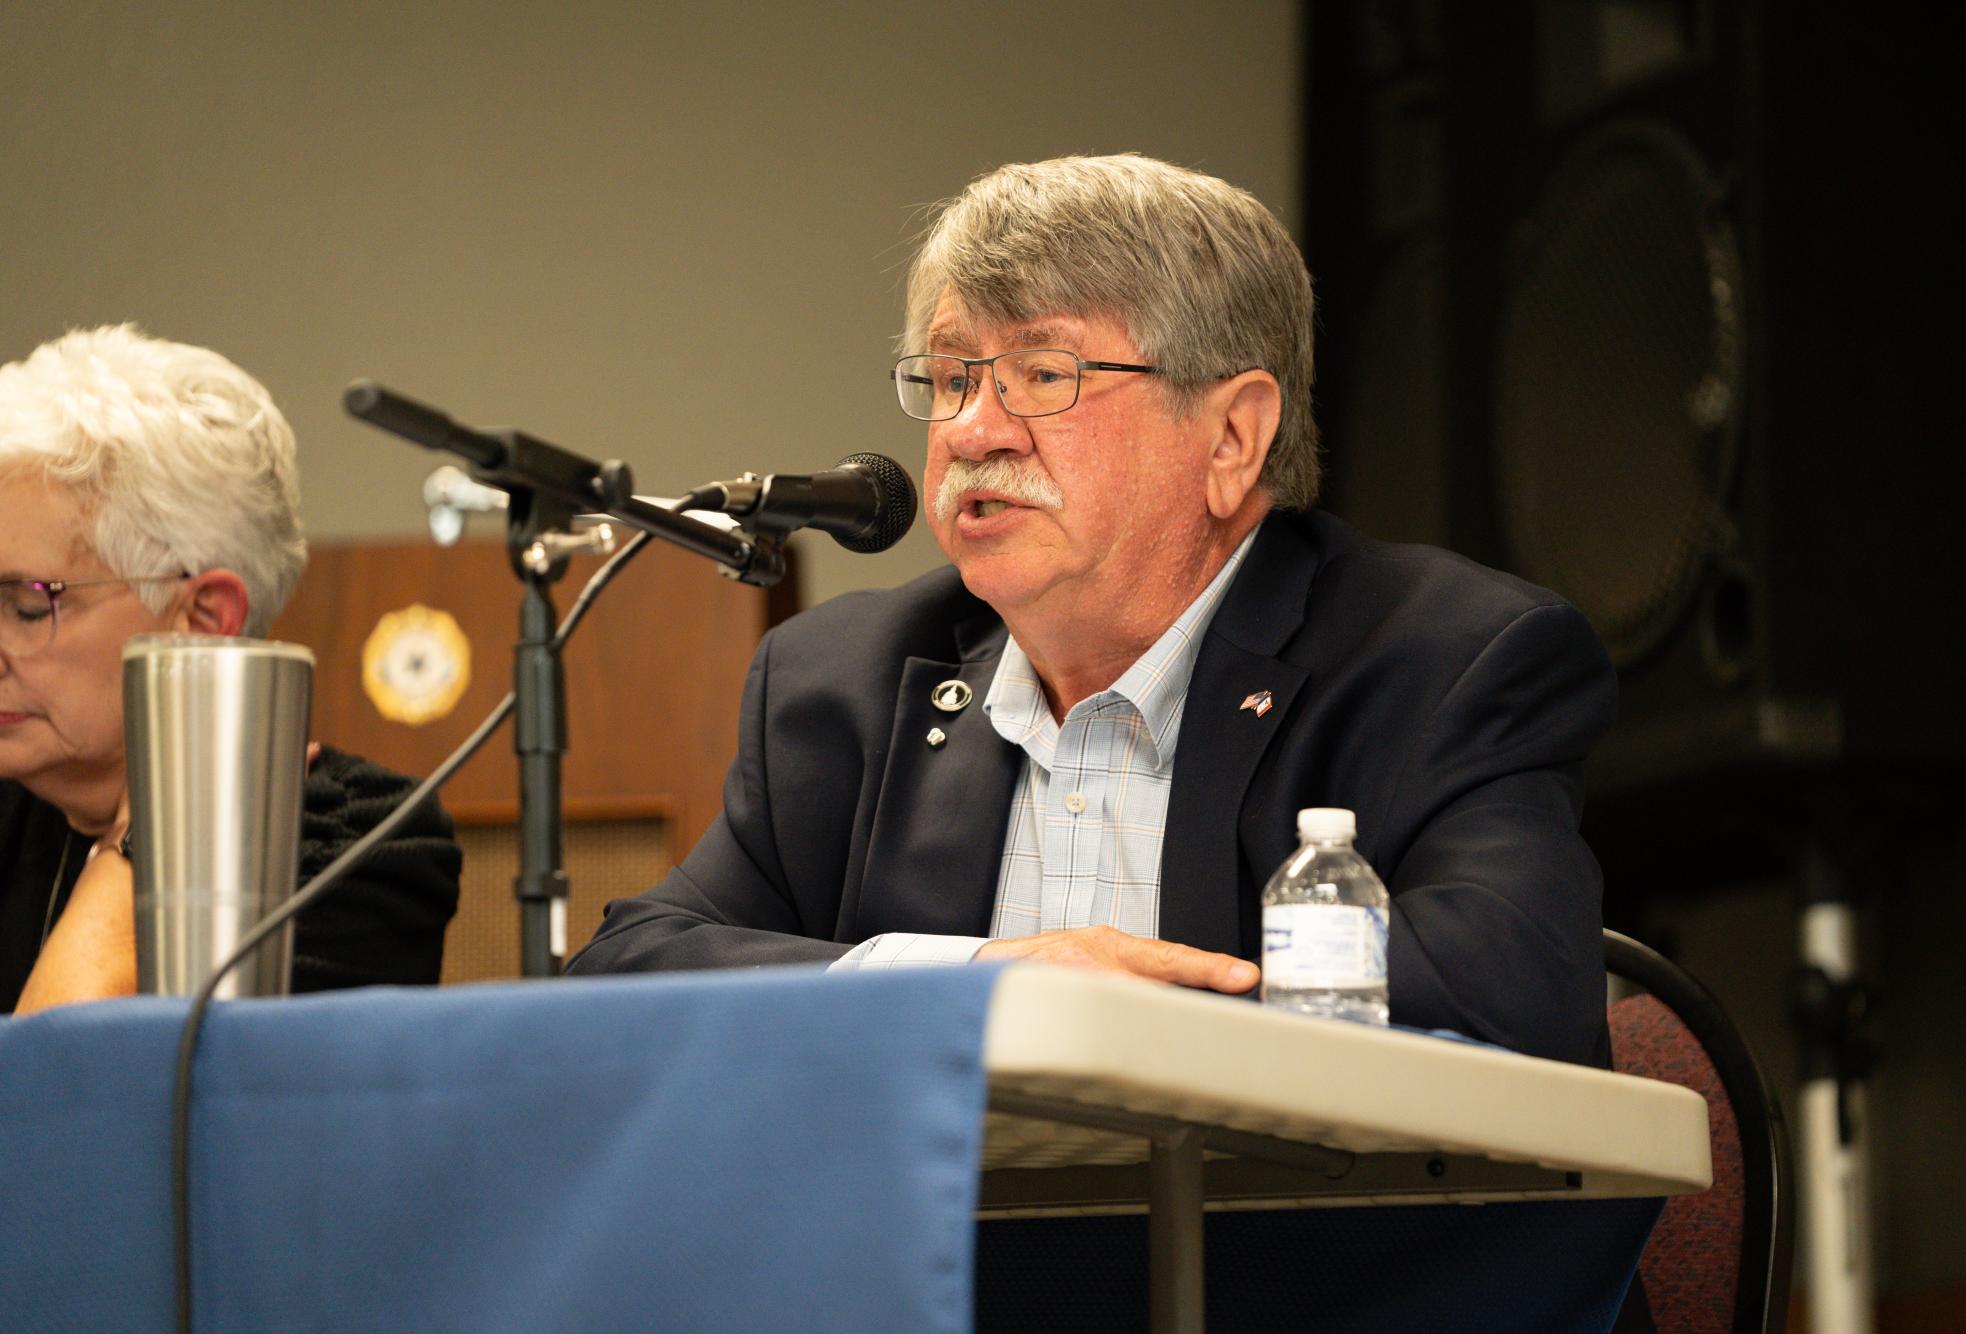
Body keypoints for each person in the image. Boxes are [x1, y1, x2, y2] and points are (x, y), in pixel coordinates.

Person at [569, 154, 1615, 1068]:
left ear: (1232, 437)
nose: (975, 426)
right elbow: (627, 971)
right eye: (948, 376)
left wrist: (1127, 1025)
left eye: (1041, 372)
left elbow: (1508, 993)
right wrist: (984, 980)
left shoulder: (1445, 661)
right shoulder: (841, 682)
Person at [1, 325, 461, 1015]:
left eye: (26, 605)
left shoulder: (357, 842)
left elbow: (64, 1099)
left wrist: (140, 843)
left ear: (204, 618)